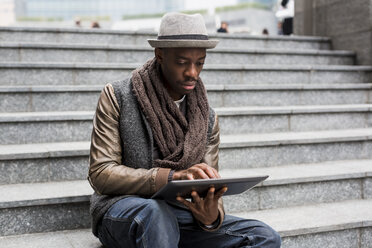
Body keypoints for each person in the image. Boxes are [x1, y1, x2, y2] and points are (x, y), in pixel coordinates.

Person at [88, 12, 281, 248]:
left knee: (264, 237)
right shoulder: (117, 96)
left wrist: (210, 217)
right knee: (155, 213)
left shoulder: (207, 117)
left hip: (179, 214)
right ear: (160, 55)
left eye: (200, 62)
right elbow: (101, 173)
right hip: (123, 211)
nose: (192, 72)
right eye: (182, 62)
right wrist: (170, 177)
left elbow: (210, 179)